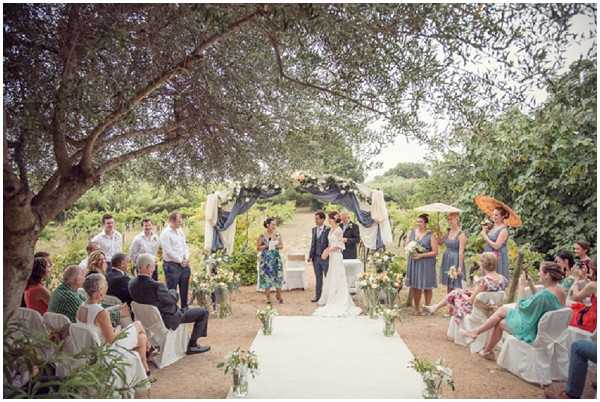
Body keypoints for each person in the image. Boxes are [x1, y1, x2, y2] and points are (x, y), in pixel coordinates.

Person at [463, 262, 566, 360]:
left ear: (547, 275)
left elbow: (521, 307)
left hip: (531, 329)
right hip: (546, 329)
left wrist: (521, 287)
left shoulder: (544, 295)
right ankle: (479, 338)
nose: (538, 274)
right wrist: (531, 285)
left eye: (540, 271)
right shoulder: (560, 291)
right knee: (502, 310)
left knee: (500, 322)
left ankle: (485, 349)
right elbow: (540, 302)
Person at [129, 253, 210, 355]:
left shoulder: (131, 283)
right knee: (203, 312)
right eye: (154, 266)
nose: (154, 268)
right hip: (168, 318)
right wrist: (173, 291)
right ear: (148, 267)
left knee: (189, 310)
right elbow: (172, 299)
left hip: (148, 320)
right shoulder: (157, 286)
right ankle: (192, 345)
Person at [77, 273, 151, 375]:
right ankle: (149, 348)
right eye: (105, 285)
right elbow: (111, 339)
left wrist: (114, 310)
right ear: (100, 291)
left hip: (91, 347)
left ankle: (145, 370)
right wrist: (118, 330)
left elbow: (94, 320)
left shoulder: (82, 307)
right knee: (138, 324)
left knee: (142, 337)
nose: (107, 287)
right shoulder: (100, 312)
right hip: (107, 350)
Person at [424, 252, 508, 320]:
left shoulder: (483, 281)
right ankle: (435, 307)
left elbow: (471, 301)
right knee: (458, 291)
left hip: (478, 308)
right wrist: (470, 291)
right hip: (493, 307)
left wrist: (464, 294)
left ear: (482, 265)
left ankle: (435, 307)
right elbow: (492, 292)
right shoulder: (503, 279)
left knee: (455, 293)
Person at [313, 211, 361, 317]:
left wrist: (328, 251)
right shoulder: (331, 230)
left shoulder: (339, 230)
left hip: (337, 256)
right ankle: (331, 297)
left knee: (338, 277)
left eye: (329, 218)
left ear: (333, 219)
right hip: (332, 257)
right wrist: (326, 250)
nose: (328, 220)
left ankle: (339, 299)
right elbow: (330, 243)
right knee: (331, 276)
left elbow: (340, 245)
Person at [405, 214, 438, 315]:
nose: (418, 223)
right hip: (414, 262)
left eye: (421, 222)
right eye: (417, 221)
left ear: (425, 223)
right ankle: (417, 308)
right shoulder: (411, 232)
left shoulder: (431, 235)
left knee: (427, 286)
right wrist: (411, 249)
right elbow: (406, 245)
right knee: (415, 286)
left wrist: (422, 255)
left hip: (427, 263)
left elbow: (435, 252)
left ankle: (427, 308)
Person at [160, 211, 191, 309]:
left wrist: (186, 258)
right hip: (171, 265)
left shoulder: (180, 231)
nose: (180, 222)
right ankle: (172, 311)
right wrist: (180, 260)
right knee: (172, 290)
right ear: (172, 221)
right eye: (179, 220)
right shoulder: (165, 233)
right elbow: (168, 251)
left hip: (184, 264)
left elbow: (185, 245)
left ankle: (184, 308)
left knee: (184, 288)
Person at [439, 213, 467, 314]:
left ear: (457, 219)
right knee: (449, 285)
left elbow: (461, 251)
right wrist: (438, 232)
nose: (450, 221)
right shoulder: (448, 232)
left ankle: (458, 308)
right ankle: (450, 308)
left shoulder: (461, 234)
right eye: (448, 219)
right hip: (447, 258)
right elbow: (440, 242)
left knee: (456, 285)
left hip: (455, 259)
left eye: (452, 219)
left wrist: (460, 266)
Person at [256, 217, 284, 304]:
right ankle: (268, 298)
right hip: (266, 260)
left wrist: (275, 245)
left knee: (278, 276)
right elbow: (258, 248)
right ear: (267, 225)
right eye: (273, 224)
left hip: (276, 258)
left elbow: (281, 246)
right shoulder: (262, 235)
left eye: (275, 224)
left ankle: (278, 295)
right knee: (266, 278)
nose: (274, 226)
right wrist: (266, 246)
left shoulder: (278, 234)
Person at [568, 258, 596, 333]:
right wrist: (584, 276)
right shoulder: (592, 284)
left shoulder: (593, 285)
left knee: (567, 314)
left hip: (592, 320)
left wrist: (576, 279)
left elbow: (575, 297)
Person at [481, 207, 510, 279]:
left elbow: (496, 246)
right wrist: (485, 231)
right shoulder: (494, 226)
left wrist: (485, 236)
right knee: (488, 279)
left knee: (495, 279)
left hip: (497, 256)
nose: (494, 217)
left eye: (496, 215)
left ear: (503, 216)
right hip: (489, 255)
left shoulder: (504, 230)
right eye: (493, 215)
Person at [308, 211, 330, 303]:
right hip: (315, 258)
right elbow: (313, 243)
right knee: (318, 278)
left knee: (328, 277)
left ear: (322, 219)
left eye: (317, 218)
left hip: (325, 258)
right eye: (315, 219)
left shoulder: (328, 229)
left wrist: (327, 254)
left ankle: (328, 297)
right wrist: (310, 256)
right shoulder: (314, 229)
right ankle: (318, 296)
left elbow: (330, 244)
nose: (315, 220)